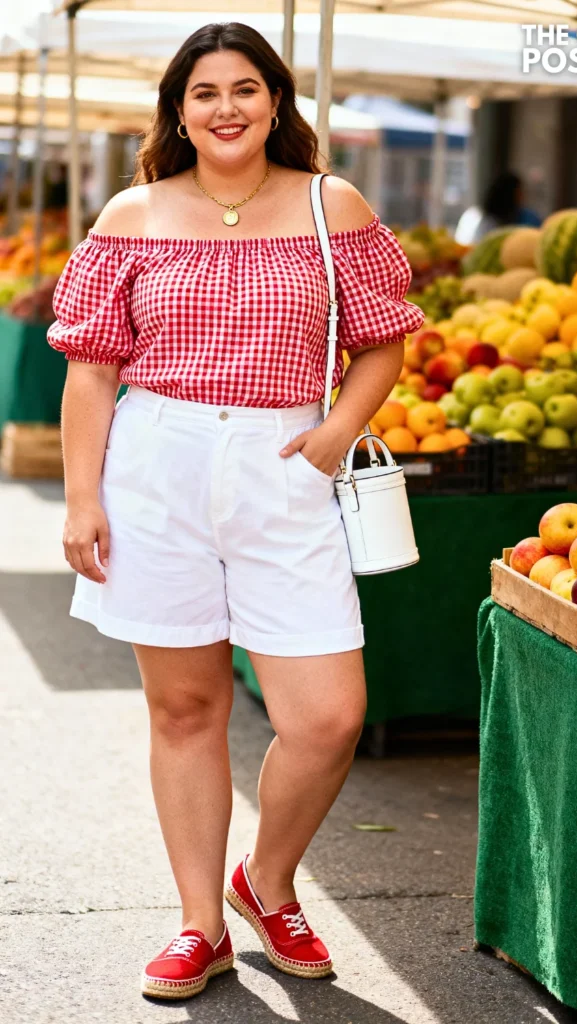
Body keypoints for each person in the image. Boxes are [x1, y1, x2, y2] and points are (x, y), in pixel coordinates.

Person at [46, 21, 423, 1001]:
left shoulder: (326, 203)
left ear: (275, 102)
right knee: (184, 708)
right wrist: (83, 497)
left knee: (329, 715)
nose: (225, 108)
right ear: (179, 108)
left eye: (244, 89)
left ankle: (265, 880)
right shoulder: (131, 214)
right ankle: (198, 922)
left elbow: (384, 338)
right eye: (205, 92)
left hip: (285, 460)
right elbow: (91, 370)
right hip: (155, 463)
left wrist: (338, 428)